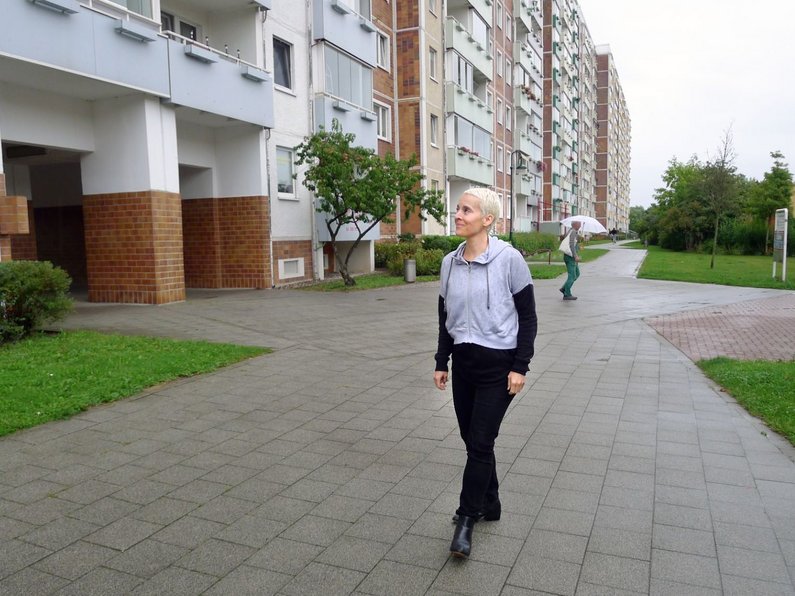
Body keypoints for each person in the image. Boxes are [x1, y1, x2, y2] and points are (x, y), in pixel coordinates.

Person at [433, 187, 538, 559]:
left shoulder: (509, 260)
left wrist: (519, 367)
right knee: (472, 439)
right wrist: (441, 361)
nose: (457, 214)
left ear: (487, 220)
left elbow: (527, 317)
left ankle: (467, 516)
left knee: (479, 442)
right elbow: (445, 316)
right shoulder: (449, 263)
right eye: (458, 208)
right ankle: (490, 502)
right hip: (464, 365)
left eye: (466, 210)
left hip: (499, 367)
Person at [560, 220, 581, 300]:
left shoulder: (573, 232)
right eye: (579, 223)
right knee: (572, 276)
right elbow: (571, 245)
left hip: (571, 257)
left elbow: (573, 244)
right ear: (575, 224)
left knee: (577, 274)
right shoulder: (572, 232)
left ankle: (564, 288)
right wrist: (575, 256)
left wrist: (578, 246)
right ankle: (567, 294)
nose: (581, 225)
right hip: (570, 257)